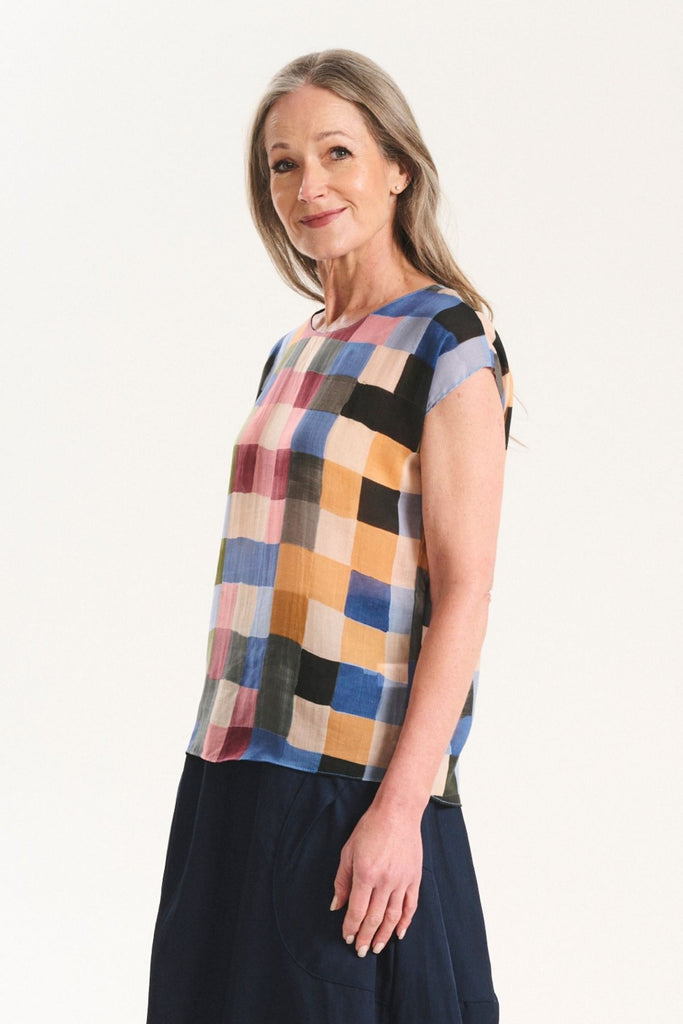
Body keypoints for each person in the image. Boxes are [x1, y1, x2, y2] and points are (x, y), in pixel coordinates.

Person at [146, 48, 513, 1024]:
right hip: (232, 763)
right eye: (283, 164)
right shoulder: (293, 349)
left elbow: (465, 593)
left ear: (397, 166)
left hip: (347, 781)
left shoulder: (446, 344)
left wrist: (399, 809)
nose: (308, 184)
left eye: (336, 152)